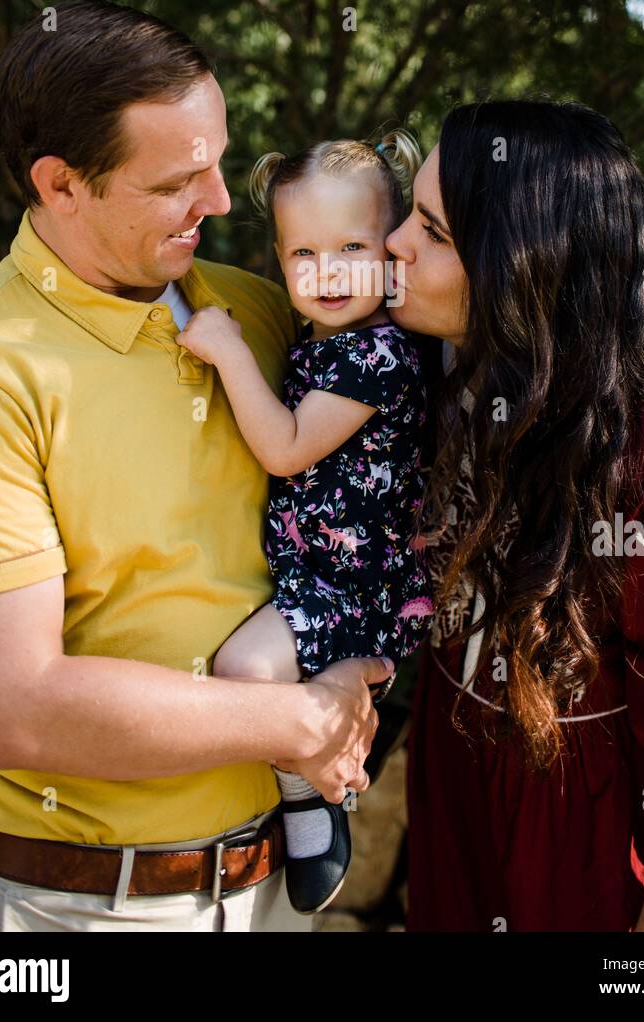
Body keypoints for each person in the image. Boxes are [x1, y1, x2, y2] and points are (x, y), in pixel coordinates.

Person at [0, 0, 391, 933]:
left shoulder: (259, 310)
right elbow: (20, 707)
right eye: (178, 179)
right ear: (59, 184)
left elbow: (372, 487)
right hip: (71, 911)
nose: (218, 201)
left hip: (271, 898)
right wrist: (301, 720)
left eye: (218, 160)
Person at [385, 98, 644, 933]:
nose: (395, 244)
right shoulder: (461, 371)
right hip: (471, 790)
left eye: (434, 232)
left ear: (520, 267)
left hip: (608, 845)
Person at [176, 134, 434, 914]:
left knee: (247, 671)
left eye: (352, 246)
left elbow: (286, 450)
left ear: (392, 252)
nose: (327, 274)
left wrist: (227, 351)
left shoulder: (377, 355)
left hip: (357, 584)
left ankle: (307, 792)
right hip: (319, 572)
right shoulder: (326, 343)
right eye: (303, 254)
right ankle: (352, 700)